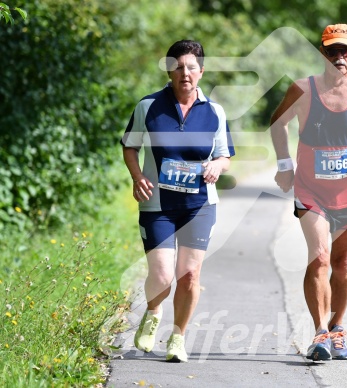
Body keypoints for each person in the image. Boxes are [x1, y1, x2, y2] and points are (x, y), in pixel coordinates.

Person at [270, 24, 347, 361]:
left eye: (345, 50)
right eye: (332, 51)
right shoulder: (302, 89)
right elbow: (277, 123)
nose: (339, 57)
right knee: (320, 256)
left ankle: (338, 326)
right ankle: (319, 333)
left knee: (343, 262)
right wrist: (284, 165)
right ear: (321, 53)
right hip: (312, 191)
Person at [120, 40, 234, 363]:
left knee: (189, 275)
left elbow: (225, 156)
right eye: (179, 67)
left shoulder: (214, 112)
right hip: (157, 204)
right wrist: (136, 176)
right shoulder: (148, 107)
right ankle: (154, 311)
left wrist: (216, 165)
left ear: (201, 71)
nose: (185, 73)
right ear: (170, 70)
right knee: (162, 276)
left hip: (199, 205)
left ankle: (178, 338)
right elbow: (129, 146)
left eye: (192, 67)